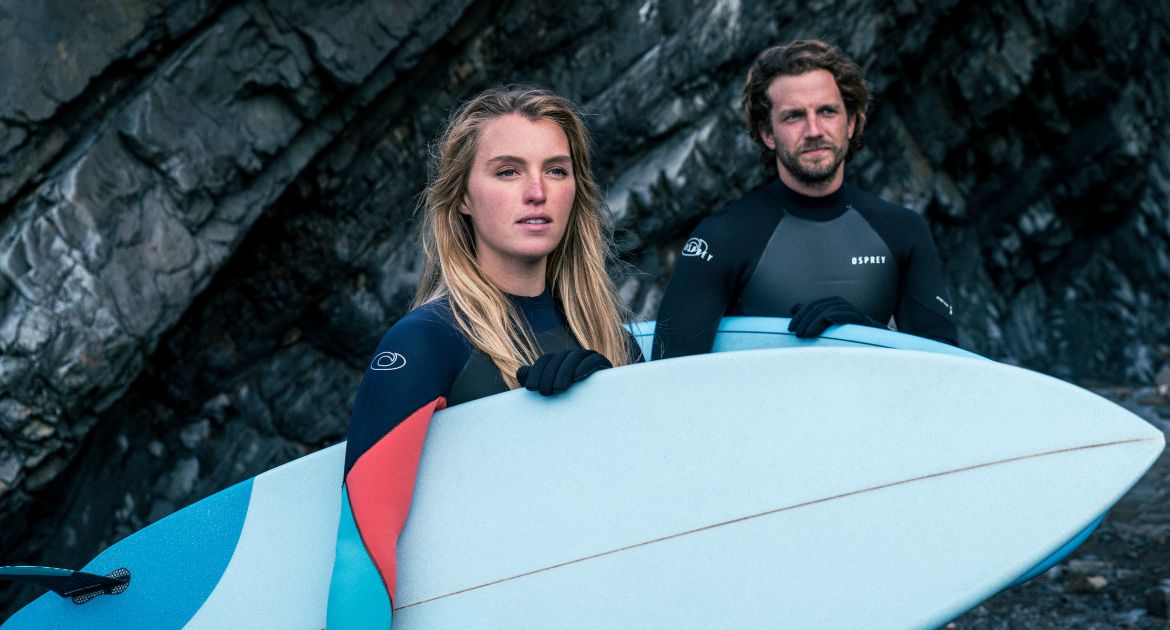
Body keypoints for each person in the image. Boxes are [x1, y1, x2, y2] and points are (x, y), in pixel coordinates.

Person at [326, 85, 640, 628]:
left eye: (557, 170)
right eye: (508, 171)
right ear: (463, 196)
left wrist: (604, 400)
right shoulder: (424, 344)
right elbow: (363, 551)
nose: (537, 192)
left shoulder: (611, 338)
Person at [652, 39, 958, 359]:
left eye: (827, 111)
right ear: (768, 133)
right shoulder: (722, 237)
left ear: (850, 123)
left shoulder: (902, 231)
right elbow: (668, 370)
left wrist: (865, 335)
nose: (813, 130)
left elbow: (945, 367)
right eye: (794, 116)